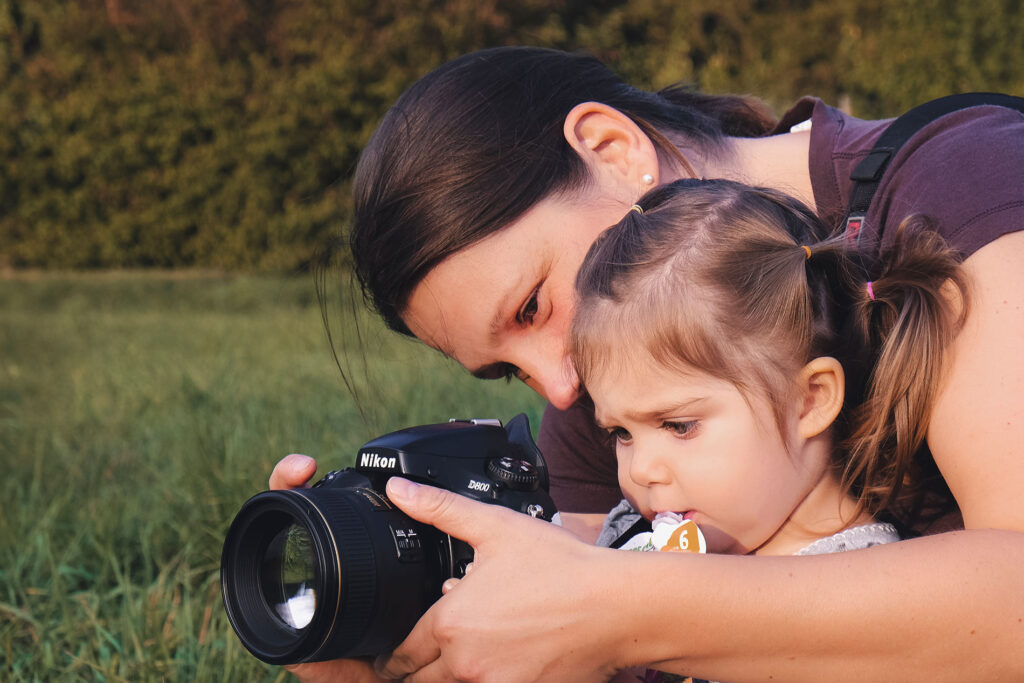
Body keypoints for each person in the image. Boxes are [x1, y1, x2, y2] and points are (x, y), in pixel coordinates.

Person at [270, 46, 1024, 681]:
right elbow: (574, 634)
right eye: (509, 373)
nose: (561, 386)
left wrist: (630, 608)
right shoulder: (619, 392)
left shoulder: (967, 183)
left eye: (532, 306)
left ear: (612, 148)